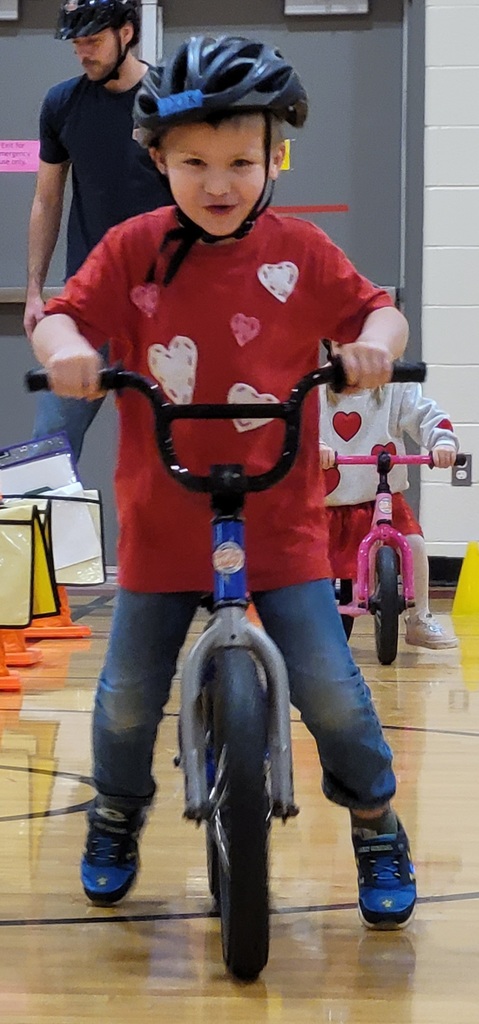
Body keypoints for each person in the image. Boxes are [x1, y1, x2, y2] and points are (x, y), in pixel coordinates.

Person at [31, 35, 417, 930]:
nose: (218, 183)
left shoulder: (300, 251)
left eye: (241, 161)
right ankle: (116, 815)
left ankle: (373, 820)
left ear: (274, 157)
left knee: (329, 687)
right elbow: (66, 317)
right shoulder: (132, 249)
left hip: (280, 529)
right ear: (157, 157)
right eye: (194, 161)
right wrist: (70, 355)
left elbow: (377, 309)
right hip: (163, 529)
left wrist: (372, 350)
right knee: (127, 697)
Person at [24, 0, 172, 462]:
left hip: (165, 299)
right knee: (49, 446)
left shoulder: (170, 97)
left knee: (166, 447)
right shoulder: (62, 103)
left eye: (93, 42)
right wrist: (34, 290)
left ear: (126, 33)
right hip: (91, 298)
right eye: (76, 44)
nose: (82, 53)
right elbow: (47, 199)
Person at [319, 339, 459, 649]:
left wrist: (443, 443)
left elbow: (427, 415)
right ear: (332, 346)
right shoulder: (318, 386)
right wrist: (315, 448)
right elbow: (298, 428)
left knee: (414, 544)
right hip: (332, 501)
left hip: (382, 495)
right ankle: (306, 620)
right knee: (314, 560)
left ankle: (419, 617)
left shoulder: (395, 388)